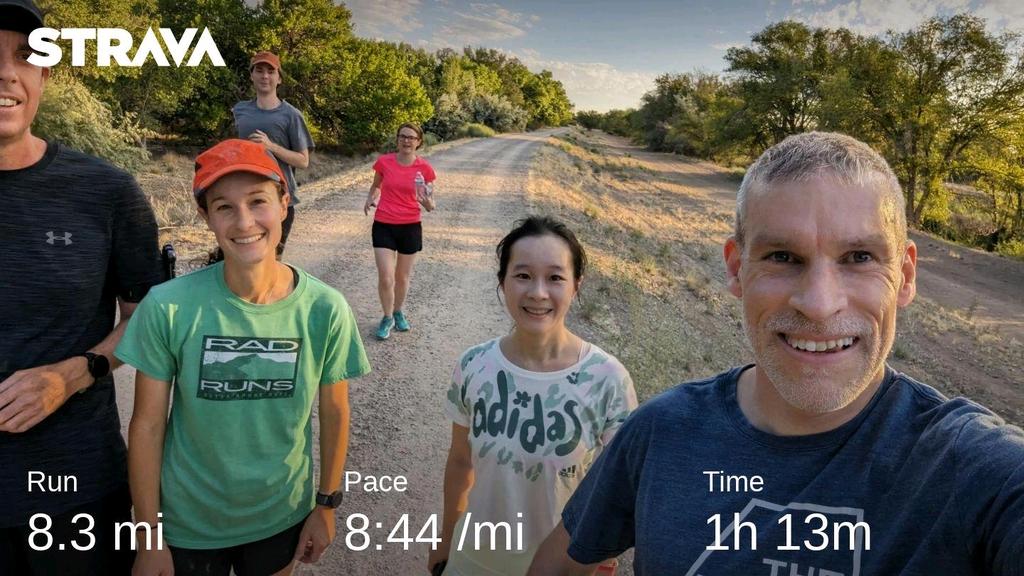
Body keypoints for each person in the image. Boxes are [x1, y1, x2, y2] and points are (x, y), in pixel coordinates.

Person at [527, 132, 1024, 575]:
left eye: (859, 258)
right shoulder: (661, 432)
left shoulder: (969, 470)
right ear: (737, 270)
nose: (819, 304)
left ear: (906, 276)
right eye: (783, 257)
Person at [117, 139, 371, 576]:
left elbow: (334, 412)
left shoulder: (325, 308)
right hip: (187, 523)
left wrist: (326, 505)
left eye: (258, 202)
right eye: (224, 208)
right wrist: (149, 536)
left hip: (280, 514)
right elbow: (147, 424)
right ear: (206, 217)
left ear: (284, 203)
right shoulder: (169, 306)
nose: (245, 221)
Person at [0, 0, 162, 573]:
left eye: (24, 57)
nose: (5, 73)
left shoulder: (106, 192)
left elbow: (151, 315)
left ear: (45, 74)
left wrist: (75, 373)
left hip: (73, 493)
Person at [429, 216, 637, 576]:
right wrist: (445, 539)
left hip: (561, 567)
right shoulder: (475, 365)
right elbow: (461, 463)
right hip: (473, 560)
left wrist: (596, 556)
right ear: (502, 282)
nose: (538, 292)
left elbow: (619, 490)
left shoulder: (607, 379)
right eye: (523, 275)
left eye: (555, 277)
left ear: (576, 286)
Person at [232, 50, 314, 254]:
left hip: (279, 200)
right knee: (242, 258)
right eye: (259, 71)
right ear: (252, 76)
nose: (265, 76)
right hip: (244, 198)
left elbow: (303, 161)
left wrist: (271, 147)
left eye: (270, 71)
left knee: (269, 262)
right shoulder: (240, 110)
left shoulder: (291, 115)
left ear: (279, 78)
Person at [363, 123, 437, 340]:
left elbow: (431, 200)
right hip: (384, 223)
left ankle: (398, 311)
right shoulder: (384, 162)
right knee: (386, 277)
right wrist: (370, 198)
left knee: (402, 277)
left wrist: (429, 204)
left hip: (410, 226)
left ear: (418, 142)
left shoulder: (425, 169)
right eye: (403, 137)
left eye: (411, 138)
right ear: (397, 140)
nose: (407, 141)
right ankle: (387, 317)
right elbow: (376, 185)